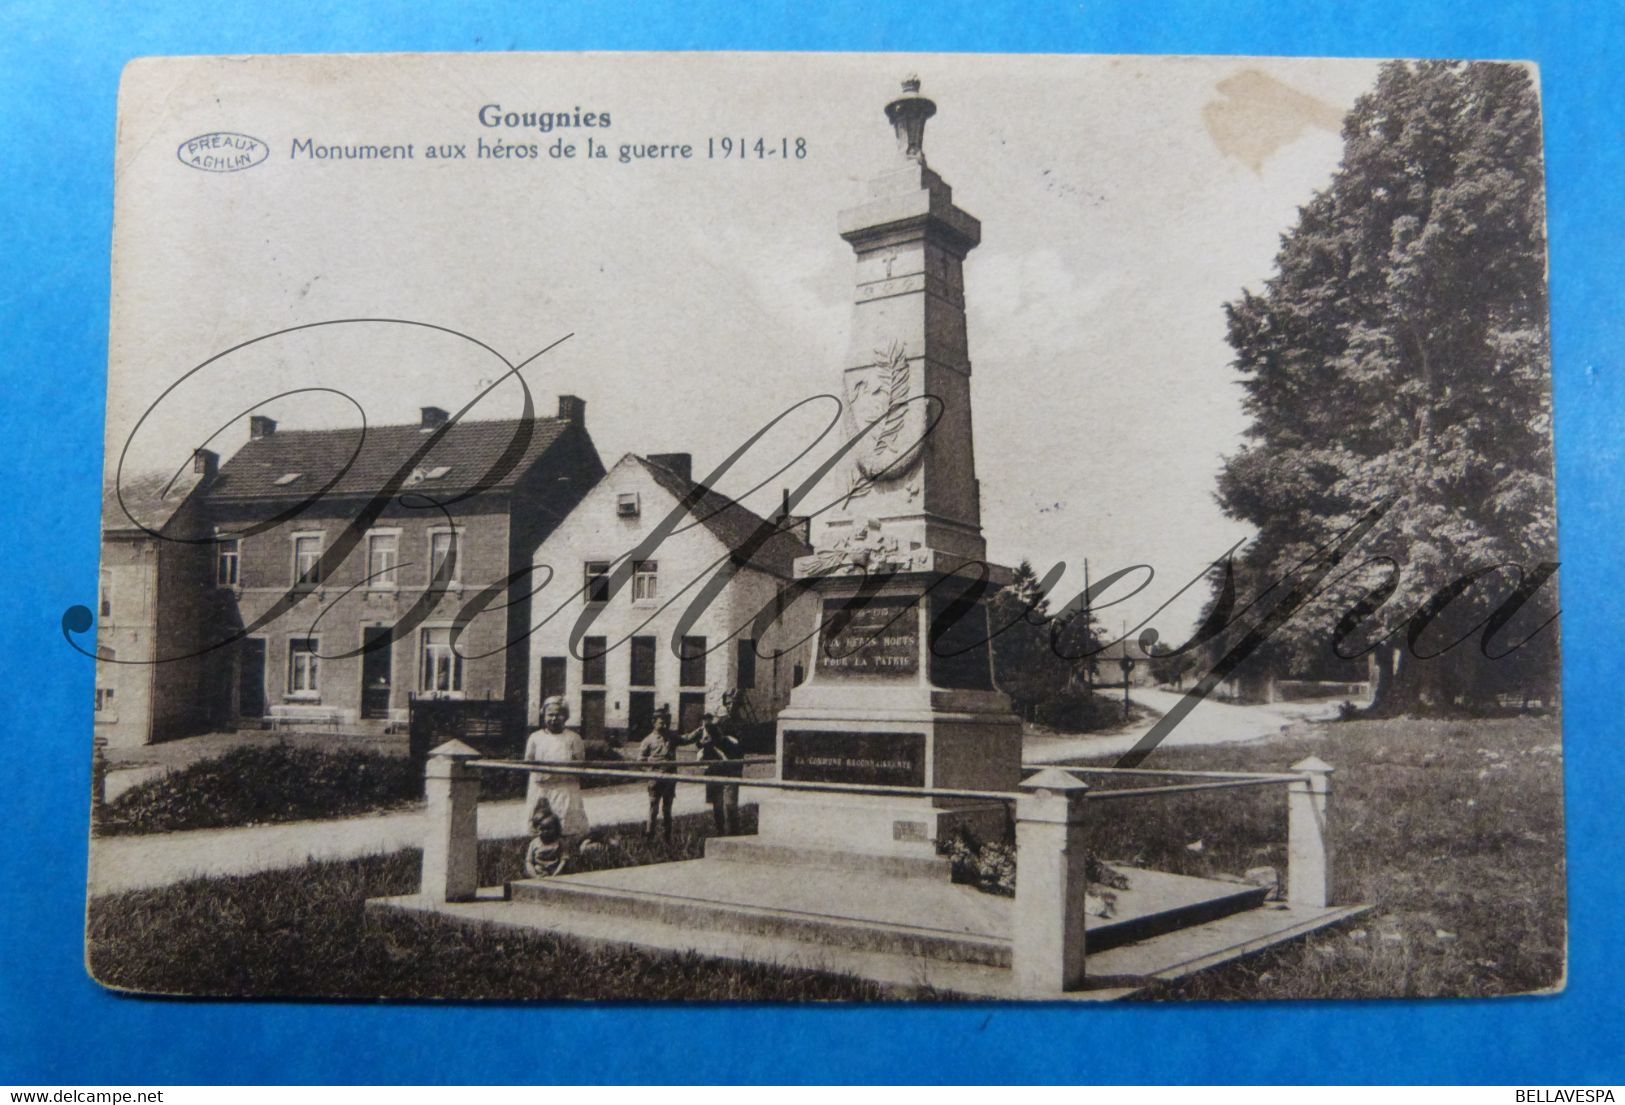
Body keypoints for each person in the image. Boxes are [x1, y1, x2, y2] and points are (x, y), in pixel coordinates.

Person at [523, 695, 590, 868]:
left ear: (565, 716)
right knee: (541, 823)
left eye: (558, 714)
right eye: (550, 714)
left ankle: (567, 858)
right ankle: (539, 859)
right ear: (543, 716)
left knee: (566, 823)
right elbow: (528, 762)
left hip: (565, 787)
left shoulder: (573, 738)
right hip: (541, 788)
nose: (553, 718)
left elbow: (581, 764)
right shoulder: (535, 738)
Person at [686, 711, 744, 835]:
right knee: (717, 805)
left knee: (729, 805)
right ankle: (720, 832)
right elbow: (701, 755)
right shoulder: (706, 743)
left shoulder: (731, 741)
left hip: (729, 775)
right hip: (714, 774)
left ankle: (732, 833)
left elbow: (737, 756)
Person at [637, 705, 680, 843]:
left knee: (667, 810)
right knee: (653, 808)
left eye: (666, 722)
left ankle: (667, 837)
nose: (664, 725)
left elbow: (686, 739)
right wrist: (650, 772)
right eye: (661, 722)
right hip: (655, 780)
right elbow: (640, 761)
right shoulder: (648, 741)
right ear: (654, 723)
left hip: (670, 779)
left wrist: (702, 729)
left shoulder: (671, 738)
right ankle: (650, 836)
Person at [523, 796, 567, 878]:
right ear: (536, 829)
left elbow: (563, 860)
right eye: (542, 829)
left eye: (548, 829)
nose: (545, 832)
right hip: (538, 873)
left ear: (555, 828)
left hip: (556, 873)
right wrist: (534, 875)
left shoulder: (559, 842)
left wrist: (557, 874)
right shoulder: (534, 843)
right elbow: (528, 862)